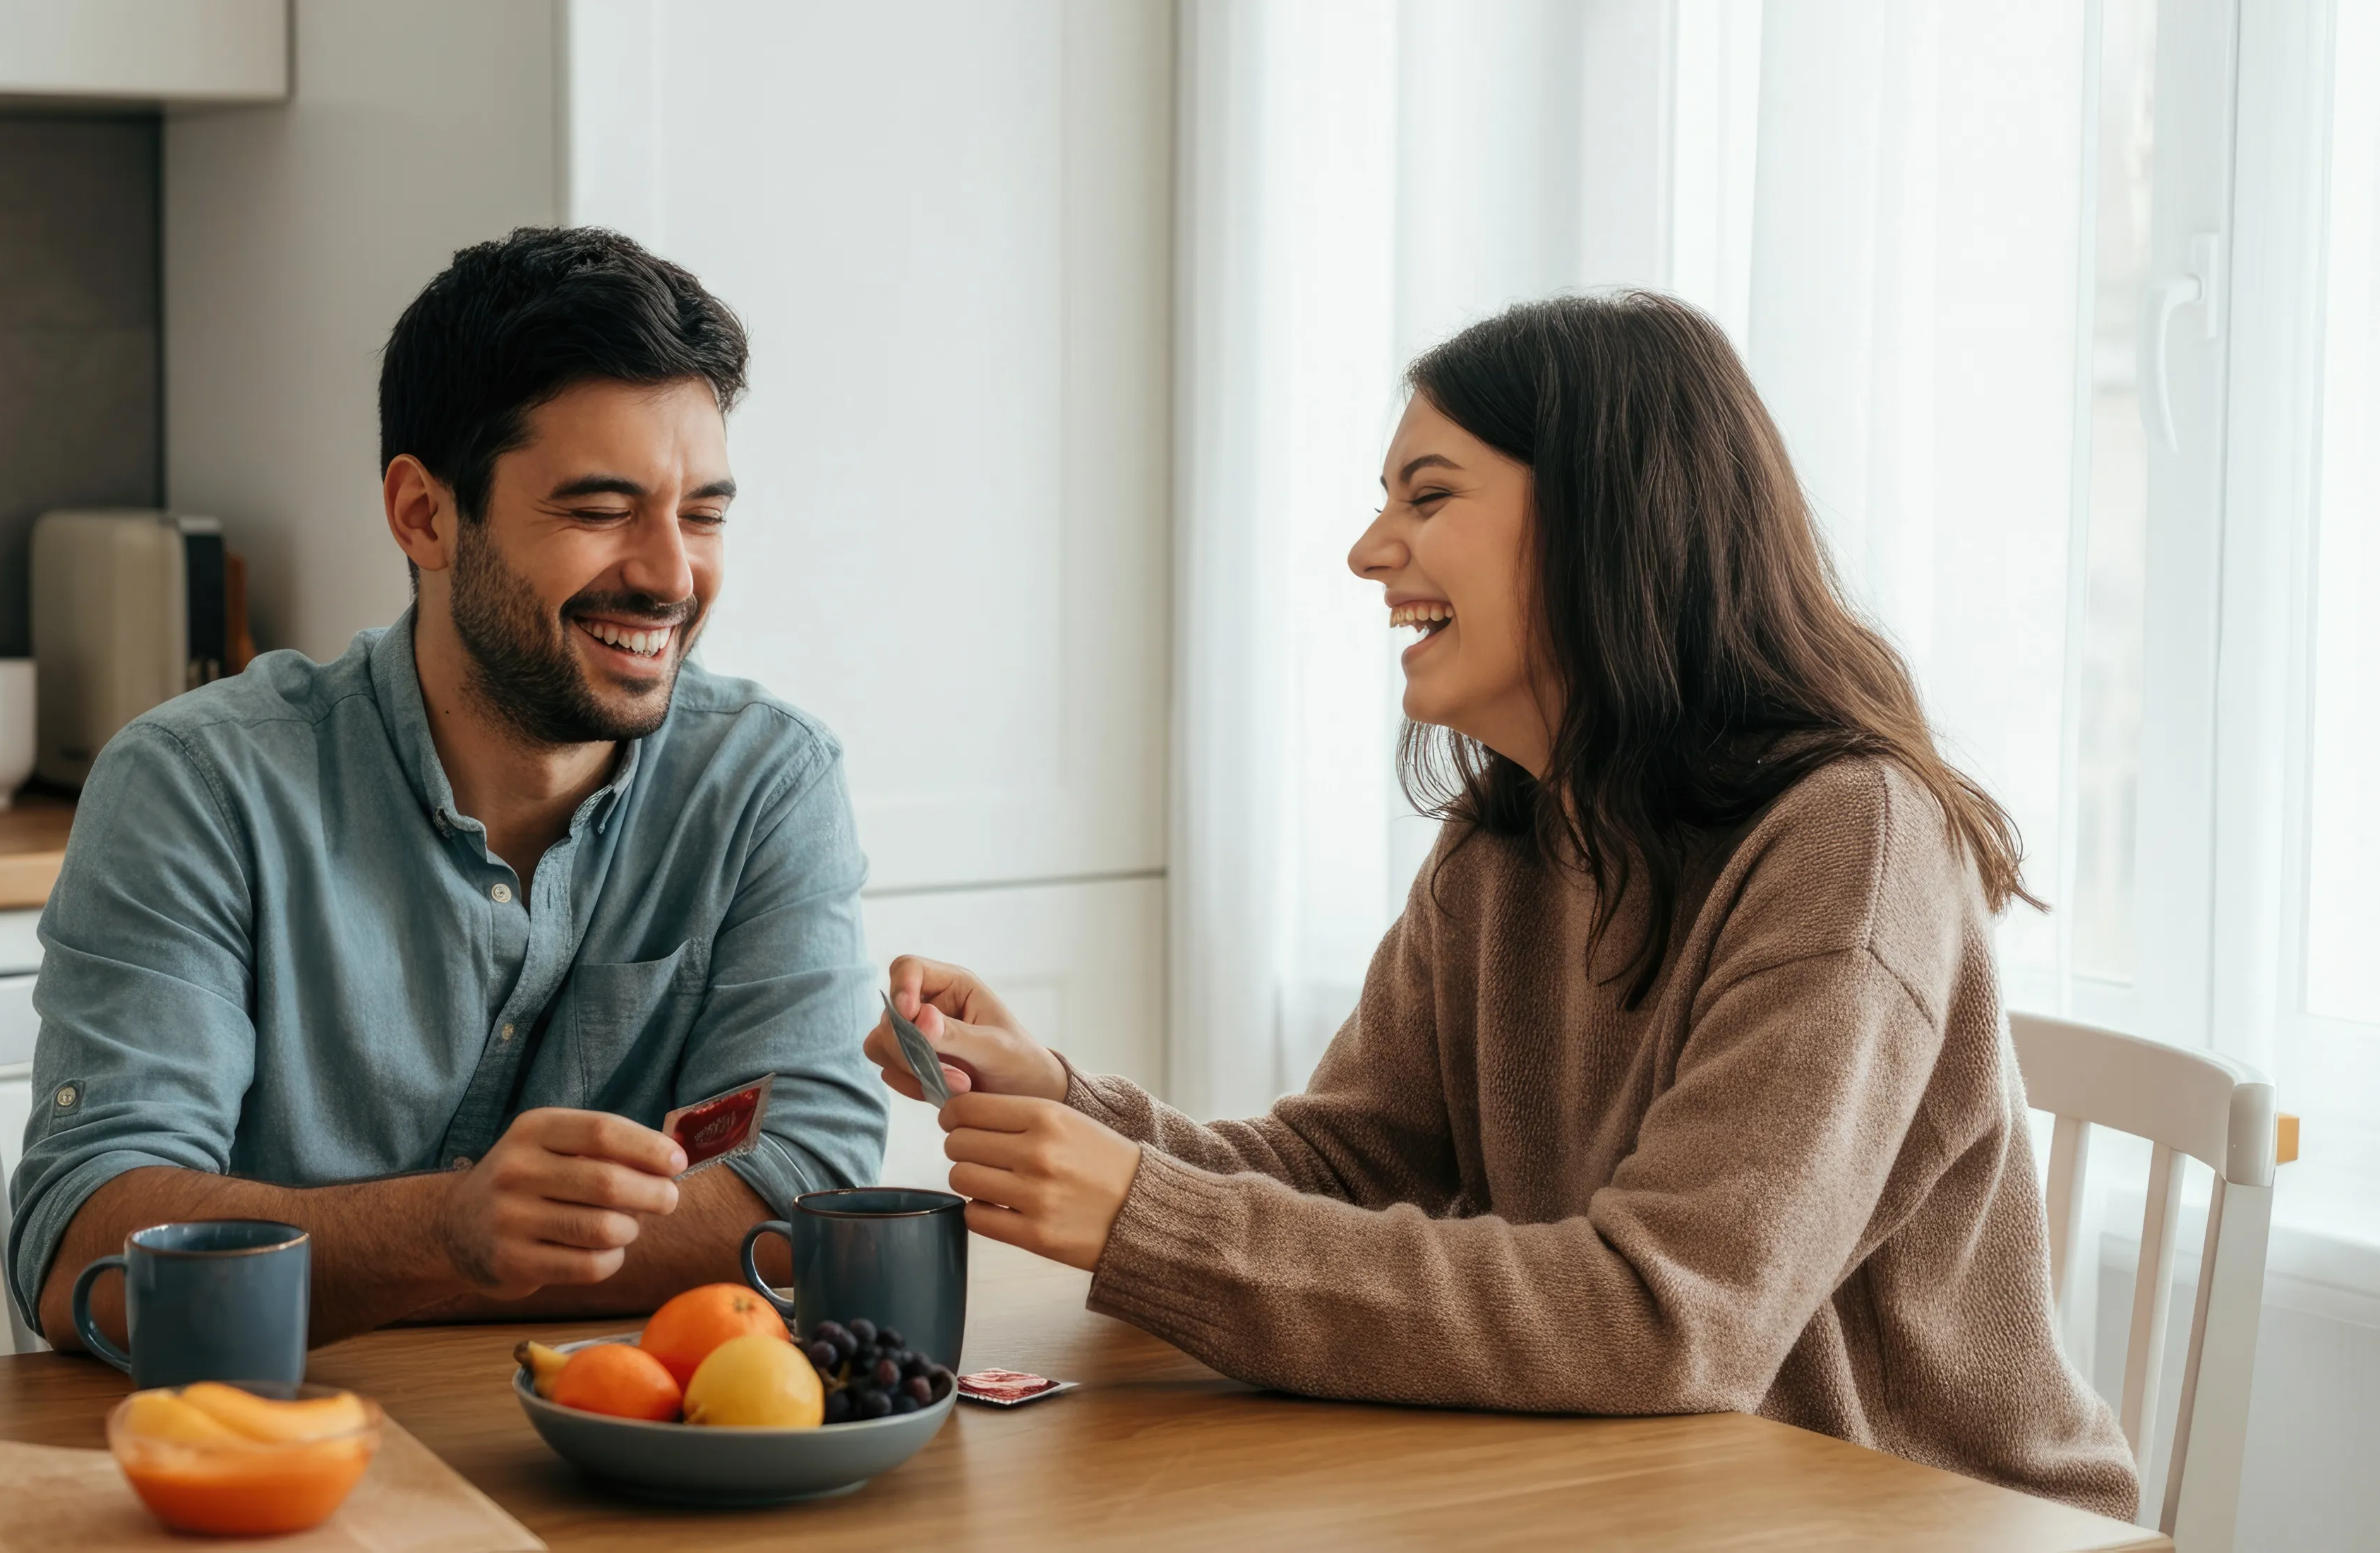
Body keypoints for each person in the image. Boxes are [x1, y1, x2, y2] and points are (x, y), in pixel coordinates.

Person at [867, 292, 2140, 1517]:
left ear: (1608, 519)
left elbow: (1666, 1319)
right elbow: (1344, 1170)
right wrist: (1067, 1105)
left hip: (1919, 1521)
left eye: (1428, 496)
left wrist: (1152, 1218)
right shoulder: (1512, 838)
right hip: (1659, 1499)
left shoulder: (1848, 844)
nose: (1370, 552)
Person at [12, 227, 887, 1351]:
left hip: (617, 1478)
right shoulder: (197, 787)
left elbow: (801, 1204)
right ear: (424, 514)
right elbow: (87, 1244)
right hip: (260, 1472)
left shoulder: (767, 783)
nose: (673, 575)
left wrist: (377, 1265)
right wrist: (446, 1232)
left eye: (703, 514)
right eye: (600, 509)